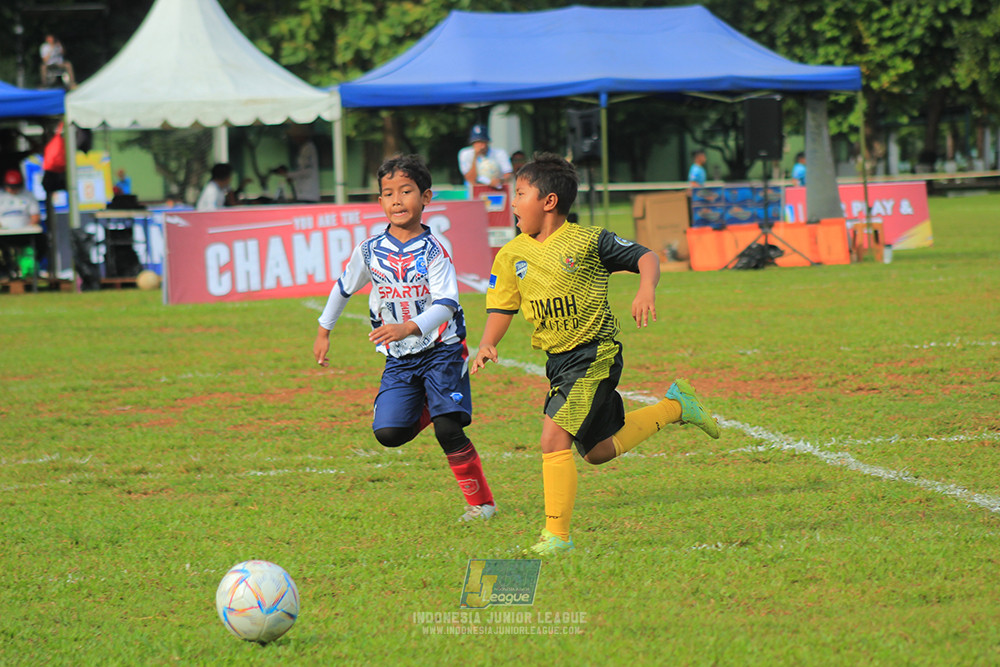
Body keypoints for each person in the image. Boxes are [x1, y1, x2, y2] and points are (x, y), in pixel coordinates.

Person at [470, 152, 720, 556]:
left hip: (594, 355)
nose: (512, 203)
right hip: (558, 364)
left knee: (553, 438)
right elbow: (503, 306)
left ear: (548, 201)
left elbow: (646, 256)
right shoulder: (511, 254)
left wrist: (646, 288)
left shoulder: (588, 241)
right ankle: (676, 407)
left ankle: (556, 537)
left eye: (519, 193)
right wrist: (488, 342)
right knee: (598, 452)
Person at [313, 154, 497, 522]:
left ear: (426, 197)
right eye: (388, 193)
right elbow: (343, 287)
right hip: (399, 355)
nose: (397, 200)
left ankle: (482, 505)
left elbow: (447, 303)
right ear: (380, 201)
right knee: (389, 433)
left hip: (442, 349)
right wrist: (323, 331)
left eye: (406, 191)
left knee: (449, 428)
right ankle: (434, 403)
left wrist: (409, 326)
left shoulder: (434, 250)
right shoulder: (369, 250)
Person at [0, 169, 42, 279]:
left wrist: (30, 225)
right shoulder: (1, 197)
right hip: (4, 234)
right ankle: (6, 271)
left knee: (42, 242)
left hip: (25, 233)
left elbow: (35, 216)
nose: (13, 190)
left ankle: (29, 271)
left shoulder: (28, 196)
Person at [458, 124, 513, 191]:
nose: (480, 145)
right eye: (477, 142)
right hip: (474, 192)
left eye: (482, 141)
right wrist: (475, 155)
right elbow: (471, 179)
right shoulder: (465, 154)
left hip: (497, 190)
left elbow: (508, 174)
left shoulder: (500, 153)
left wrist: (500, 180)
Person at [278, 125, 320, 202]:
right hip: (303, 192)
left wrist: (288, 174)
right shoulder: (304, 148)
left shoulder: (309, 148)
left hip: (308, 193)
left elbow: (306, 171)